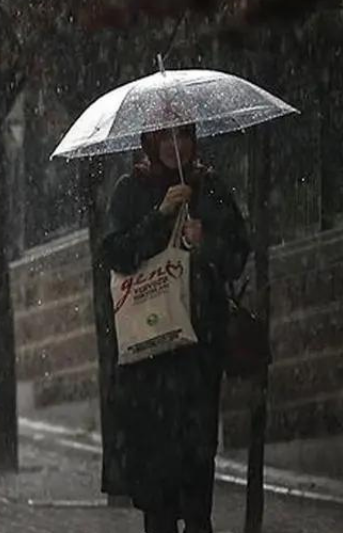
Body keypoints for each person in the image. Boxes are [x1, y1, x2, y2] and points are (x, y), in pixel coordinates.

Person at [102, 125, 249, 533]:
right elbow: (116, 253)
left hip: (198, 352)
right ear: (149, 142)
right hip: (149, 356)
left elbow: (237, 255)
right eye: (164, 138)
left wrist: (206, 242)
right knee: (158, 487)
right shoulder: (131, 190)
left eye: (182, 136)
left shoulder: (209, 187)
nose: (174, 146)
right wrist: (160, 216)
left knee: (198, 472)